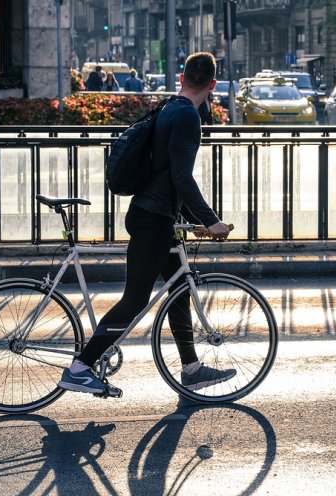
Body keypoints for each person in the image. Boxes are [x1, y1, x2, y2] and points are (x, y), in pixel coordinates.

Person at [58, 52, 232, 396]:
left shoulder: (169, 107)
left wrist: (186, 220)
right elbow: (182, 177)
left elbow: (164, 173)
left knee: (179, 291)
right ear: (212, 85)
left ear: (182, 77)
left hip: (158, 216)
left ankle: (191, 368)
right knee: (135, 299)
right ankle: (81, 367)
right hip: (152, 219)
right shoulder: (187, 118)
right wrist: (210, 221)